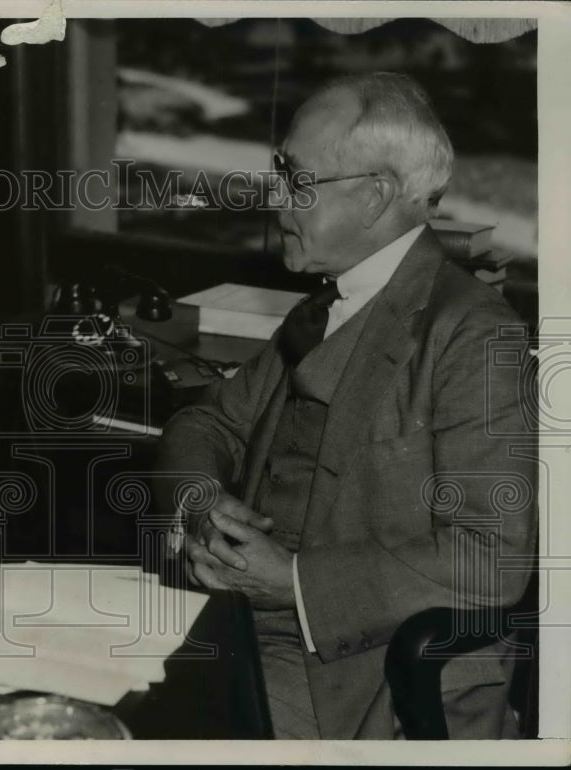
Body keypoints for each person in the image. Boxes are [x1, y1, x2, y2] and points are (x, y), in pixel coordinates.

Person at [155, 72, 537, 739]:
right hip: (256, 628)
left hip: (373, 674)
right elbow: (206, 420)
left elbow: (491, 558)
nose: (277, 201)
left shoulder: (476, 334)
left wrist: (293, 581)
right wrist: (202, 499)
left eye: (297, 180)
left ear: (375, 197)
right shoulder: (323, 308)